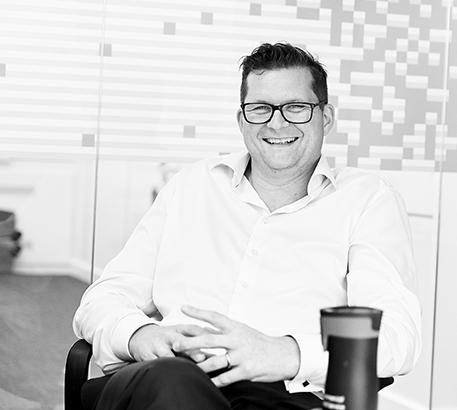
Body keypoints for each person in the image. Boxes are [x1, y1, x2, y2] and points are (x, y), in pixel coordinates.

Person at [73, 42, 422, 410]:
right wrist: (140, 335)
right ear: (242, 120)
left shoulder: (367, 200)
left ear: (326, 118)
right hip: (163, 380)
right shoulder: (192, 185)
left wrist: (285, 353)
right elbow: (101, 300)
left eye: (296, 108)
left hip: (281, 396)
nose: (276, 122)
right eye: (260, 109)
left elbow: (396, 338)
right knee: (173, 380)